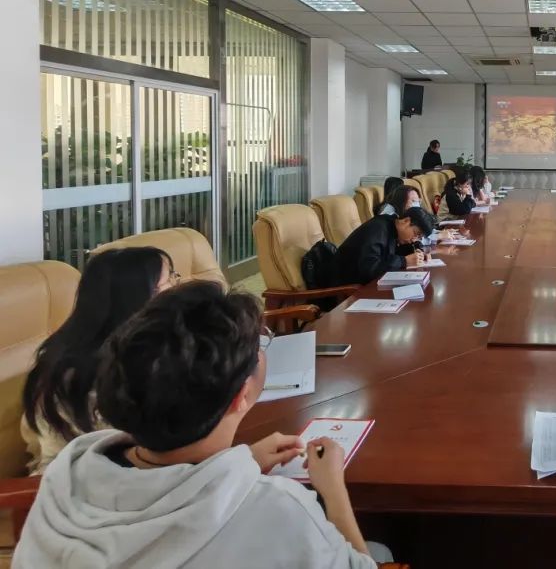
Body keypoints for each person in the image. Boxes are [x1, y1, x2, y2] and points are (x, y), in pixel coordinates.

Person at [13, 282, 392, 569]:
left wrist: (242, 461)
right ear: (240, 395)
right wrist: (333, 490)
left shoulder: (66, 473)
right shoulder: (281, 511)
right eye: (258, 348)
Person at [20, 246, 177, 475]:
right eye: (168, 281)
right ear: (135, 300)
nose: (177, 287)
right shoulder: (76, 378)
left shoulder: (152, 347)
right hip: (82, 484)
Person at [334, 206, 435, 284]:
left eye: (419, 237)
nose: (414, 239)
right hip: (347, 287)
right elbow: (369, 269)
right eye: (416, 234)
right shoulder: (378, 229)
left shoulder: (393, 227)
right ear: (406, 221)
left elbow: (391, 252)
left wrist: (417, 252)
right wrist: (404, 261)